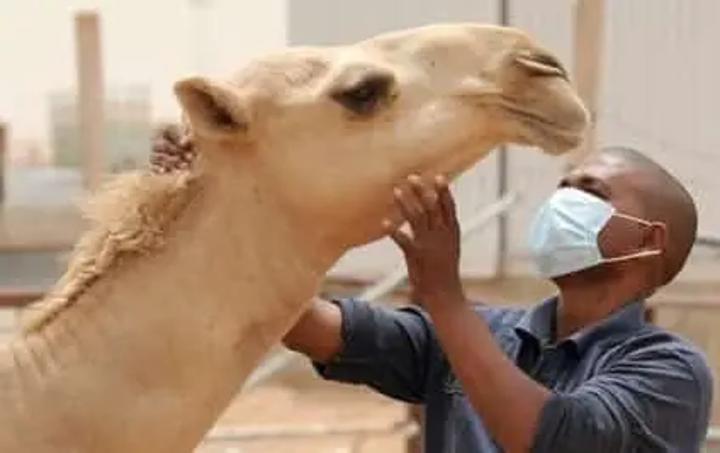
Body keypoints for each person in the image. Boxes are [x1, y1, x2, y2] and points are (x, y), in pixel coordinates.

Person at [152, 127, 713, 453]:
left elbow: (553, 436)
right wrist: (213, 211)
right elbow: (308, 324)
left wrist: (443, 294)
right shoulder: (482, 333)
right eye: (563, 187)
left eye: (590, 191)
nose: (563, 202)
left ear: (649, 240)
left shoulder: (669, 369)